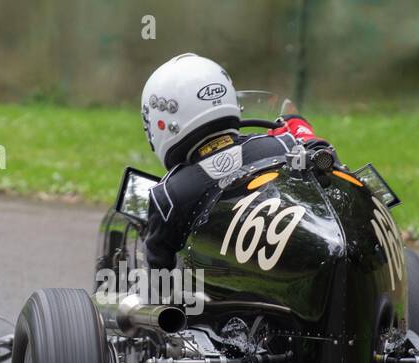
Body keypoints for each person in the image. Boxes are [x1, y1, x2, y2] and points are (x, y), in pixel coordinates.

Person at [139, 53, 332, 269]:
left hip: (219, 297)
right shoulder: (282, 145)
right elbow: (322, 159)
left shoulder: (168, 194)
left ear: (164, 119)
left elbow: (158, 275)